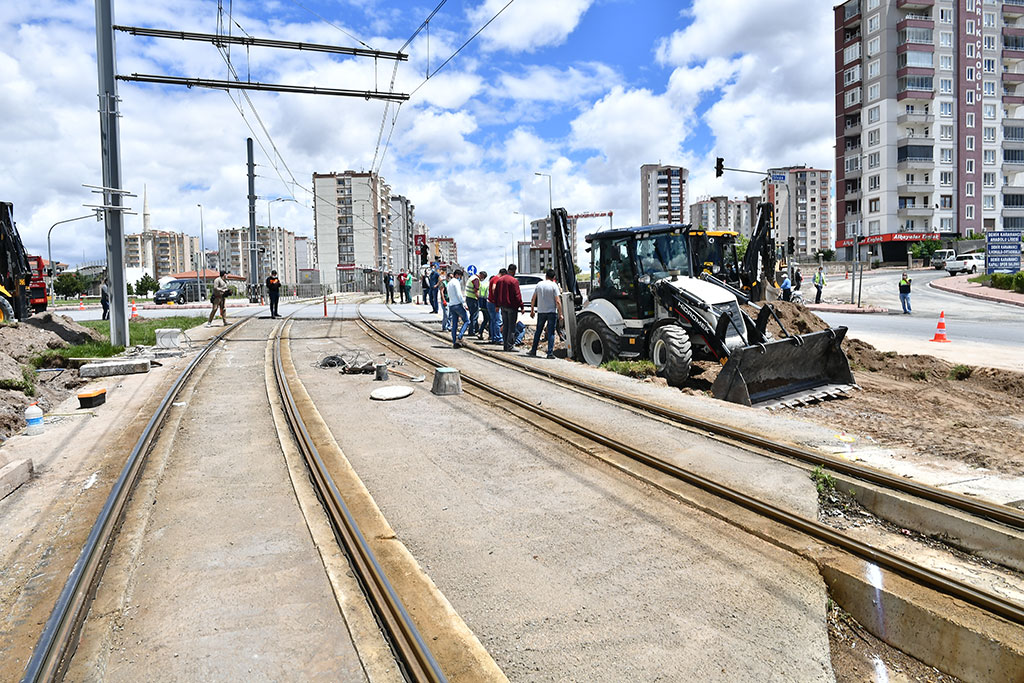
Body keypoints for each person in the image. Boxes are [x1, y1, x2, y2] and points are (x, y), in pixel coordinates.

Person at [527, 269, 563, 359]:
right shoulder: (554, 286)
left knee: (538, 331)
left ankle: (533, 350)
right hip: (551, 312)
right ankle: (550, 353)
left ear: (546, 276)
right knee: (551, 333)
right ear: (554, 277)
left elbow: (533, 298)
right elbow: (558, 301)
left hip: (541, 312)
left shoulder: (539, 285)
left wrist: (532, 310)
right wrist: (560, 314)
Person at [497, 264, 522, 352]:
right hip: (512, 307)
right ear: (514, 271)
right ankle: (510, 346)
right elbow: (517, 295)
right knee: (511, 327)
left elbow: (496, 293)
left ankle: (505, 345)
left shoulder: (500, 280)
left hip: (503, 307)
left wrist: (497, 305)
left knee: (505, 326)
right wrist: (521, 306)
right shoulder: (514, 281)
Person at [446, 269, 470, 347]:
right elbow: (459, 294)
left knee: (454, 325)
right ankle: (460, 336)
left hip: (451, 305)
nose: (460, 278)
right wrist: (464, 303)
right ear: (457, 275)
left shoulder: (449, 283)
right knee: (467, 321)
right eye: (460, 277)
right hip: (457, 305)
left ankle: (454, 341)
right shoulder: (456, 282)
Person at [486, 269, 505, 344]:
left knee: (493, 321)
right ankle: (498, 338)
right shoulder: (497, 279)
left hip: (490, 302)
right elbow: (494, 288)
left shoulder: (493, 278)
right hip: (493, 303)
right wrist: (497, 300)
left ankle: (493, 337)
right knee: (498, 321)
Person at [465, 270, 482, 337]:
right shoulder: (476, 279)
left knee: (472, 315)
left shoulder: (471, 277)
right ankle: (472, 331)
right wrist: (479, 298)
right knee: (474, 316)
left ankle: (475, 329)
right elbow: (476, 290)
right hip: (473, 299)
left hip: (468, 298)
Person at [477, 272, 491, 340]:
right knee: (490, 320)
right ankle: (490, 335)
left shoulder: (484, 285)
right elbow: (487, 296)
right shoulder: (489, 286)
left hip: (482, 304)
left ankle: (480, 332)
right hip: (486, 305)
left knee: (485, 319)